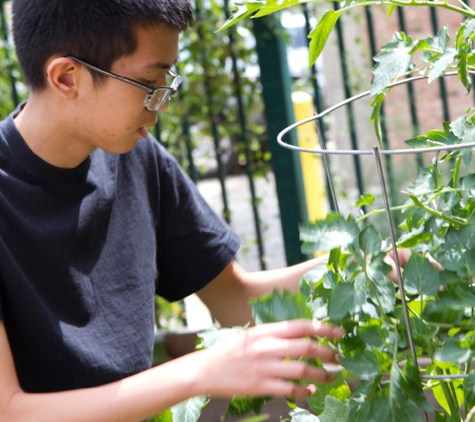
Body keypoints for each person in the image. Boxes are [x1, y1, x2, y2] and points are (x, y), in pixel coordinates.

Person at [0, 1, 344, 421]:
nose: (161, 103)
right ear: (67, 77)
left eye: (168, 80)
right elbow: (11, 411)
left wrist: (356, 270)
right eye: (149, 82)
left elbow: (234, 297)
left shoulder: (136, 158)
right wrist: (200, 371)